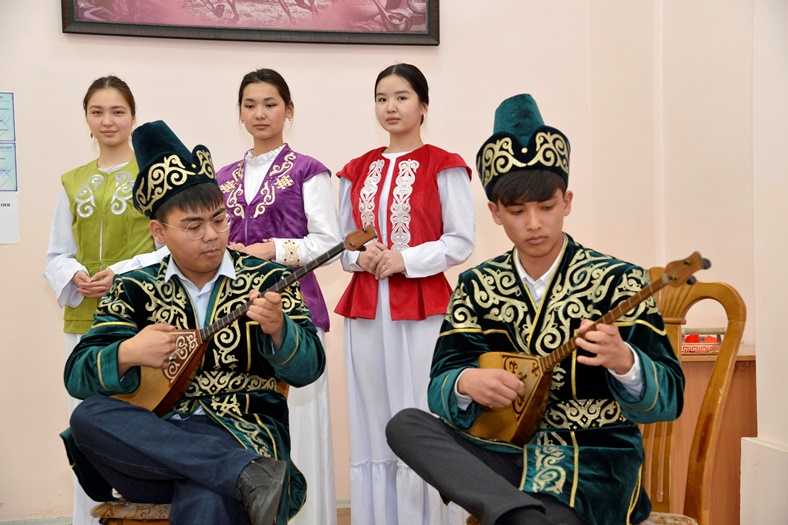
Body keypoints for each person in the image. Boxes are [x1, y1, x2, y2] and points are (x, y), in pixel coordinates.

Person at [385, 94, 686, 525]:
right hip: (504, 453)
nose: (533, 223)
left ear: (567, 202)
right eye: (517, 210)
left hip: (593, 462)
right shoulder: (476, 286)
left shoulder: (620, 281)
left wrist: (626, 362)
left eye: (546, 207)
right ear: (495, 212)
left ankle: (513, 514)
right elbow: (441, 386)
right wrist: (466, 382)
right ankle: (516, 511)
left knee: (539, 518)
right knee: (405, 425)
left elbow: (670, 398)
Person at [61, 120, 325, 525]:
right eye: (193, 226)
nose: (212, 235)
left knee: (207, 493)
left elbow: (310, 368)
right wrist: (128, 352)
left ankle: (234, 473)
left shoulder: (267, 279)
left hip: (241, 432)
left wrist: (280, 330)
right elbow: (77, 375)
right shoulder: (132, 288)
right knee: (87, 417)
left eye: (219, 220)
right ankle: (241, 474)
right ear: (158, 231)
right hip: (152, 449)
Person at [335, 63, 475, 525]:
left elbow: (460, 240)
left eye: (401, 97)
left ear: (423, 105)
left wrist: (405, 259)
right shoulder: (355, 170)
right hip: (366, 309)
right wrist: (362, 257)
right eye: (381, 98)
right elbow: (343, 244)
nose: (390, 107)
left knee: (421, 411)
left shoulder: (444, 165)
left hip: (422, 307)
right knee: (373, 415)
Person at [216, 67, 341, 525]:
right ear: (239, 113)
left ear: (289, 110)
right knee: (247, 431)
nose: (260, 113)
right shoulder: (222, 177)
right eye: (250, 105)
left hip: (296, 317)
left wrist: (274, 249)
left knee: (301, 431)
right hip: (235, 322)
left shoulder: (309, 170)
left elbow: (329, 243)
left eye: (270, 104)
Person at [44, 75, 156, 525]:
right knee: (86, 427)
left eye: (117, 111)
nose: (108, 121)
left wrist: (121, 273)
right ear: (87, 120)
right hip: (84, 323)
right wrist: (73, 274)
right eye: (97, 112)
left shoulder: (152, 175)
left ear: (133, 117)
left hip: (140, 323)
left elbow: (169, 248)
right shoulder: (72, 182)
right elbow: (56, 253)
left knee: (141, 425)